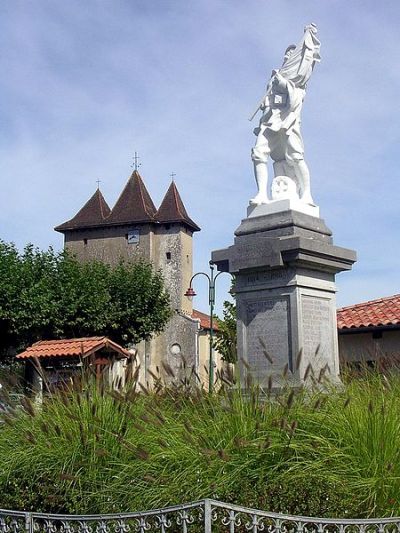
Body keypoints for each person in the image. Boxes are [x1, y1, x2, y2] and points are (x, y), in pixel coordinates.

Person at [250, 24, 321, 205]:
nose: (288, 56)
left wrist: (283, 84)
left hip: (288, 122)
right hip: (270, 121)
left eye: (292, 53)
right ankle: (261, 195)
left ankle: (306, 194)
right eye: (287, 54)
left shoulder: (298, 82)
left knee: (296, 157)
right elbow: (269, 103)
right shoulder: (273, 79)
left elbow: (296, 99)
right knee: (258, 153)